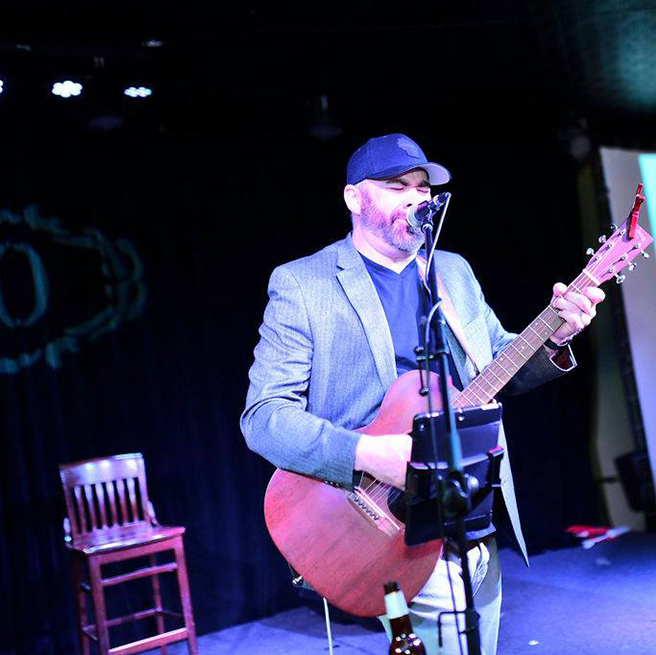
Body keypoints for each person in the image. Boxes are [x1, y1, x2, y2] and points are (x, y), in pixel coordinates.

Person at [240, 133, 604, 654]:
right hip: (380, 521)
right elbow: (264, 418)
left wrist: (557, 335)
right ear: (352, 198)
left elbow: (497, 363)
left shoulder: (453, 271)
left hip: (472, 510)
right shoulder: (304, 284)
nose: (416, 198)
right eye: (396, 186)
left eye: (421, 187)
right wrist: (370, 454)